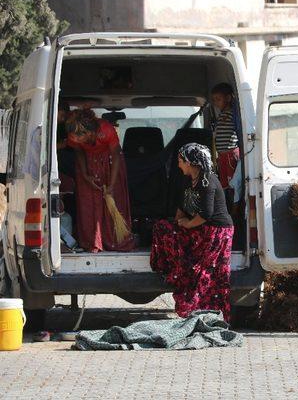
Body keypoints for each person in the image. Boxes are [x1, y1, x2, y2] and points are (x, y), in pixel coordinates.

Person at [150, 143, 234, 321]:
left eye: (181, 161)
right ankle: (175, 268)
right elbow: (182, 204)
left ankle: (206, 314)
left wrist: (187, 225)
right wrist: (178, 221)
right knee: (162, 227)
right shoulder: (188, 180)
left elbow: (206, 214)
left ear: (191, 162)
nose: (179, 164)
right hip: (199, 228)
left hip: (215, 233)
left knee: (204, 273)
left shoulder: (208, 181)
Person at [66, 109, 134, 252]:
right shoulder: (74, 135)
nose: (76, 141)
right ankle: (93, 241)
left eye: (79, 139)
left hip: (110, 165)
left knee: (112, 200)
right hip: (88, 165)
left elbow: (116, 155)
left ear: (89, 133)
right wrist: (85, 175)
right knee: (89, 202)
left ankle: (115, 241)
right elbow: (78, 152)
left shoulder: (106, 130)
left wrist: (112, 184)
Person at [210, 83, 240, 189]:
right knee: (224, 184)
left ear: (227, 98)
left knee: (233, 184)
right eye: (214, 100)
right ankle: (227, 203)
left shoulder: (234, 113)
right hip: (222, 156)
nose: (216, 103)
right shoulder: (221, 115)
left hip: (230, 154)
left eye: (218, 99)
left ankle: (234, 204)